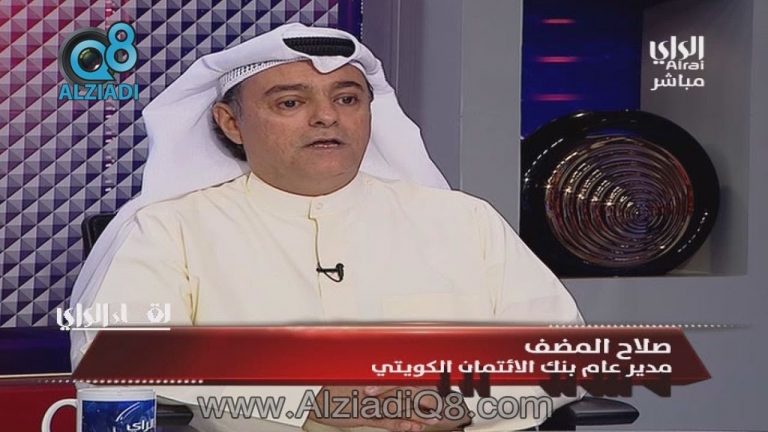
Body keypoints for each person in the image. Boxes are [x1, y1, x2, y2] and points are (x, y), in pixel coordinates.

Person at [69, 23, 584, 431]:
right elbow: (120, 354)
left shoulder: (463, 220)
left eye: (347, 98)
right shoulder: (172, 227)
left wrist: (463, 403)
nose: (326, 117)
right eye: (291, 102)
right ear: (231, 122)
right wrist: (308, 400)